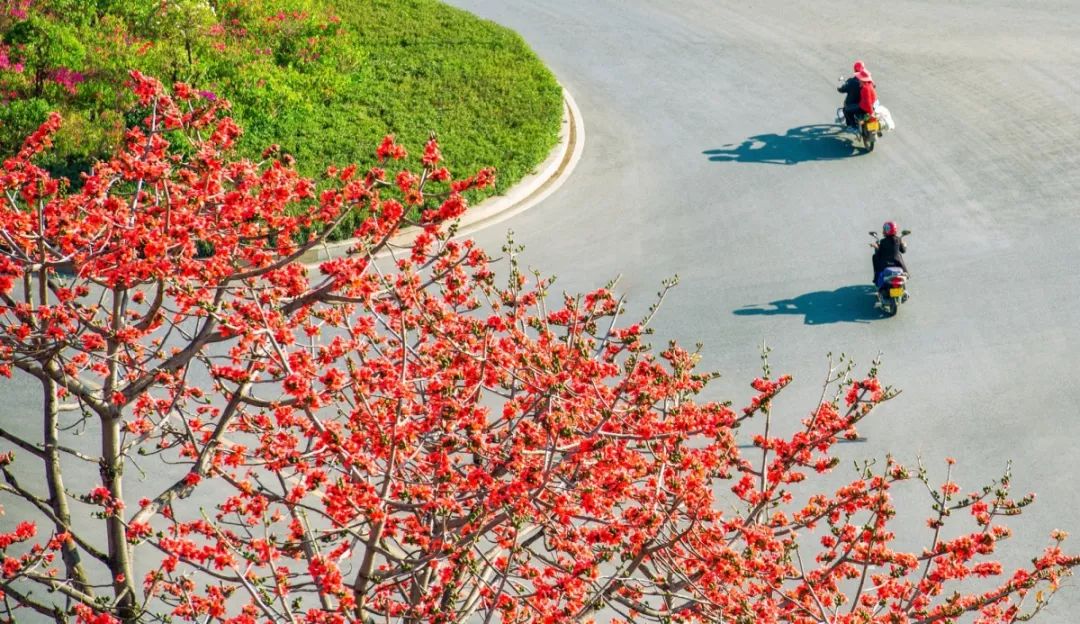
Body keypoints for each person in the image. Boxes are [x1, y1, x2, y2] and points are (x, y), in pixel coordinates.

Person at [838, 60, 867, 127]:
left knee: (846, 110)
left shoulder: (851, 82)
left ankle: (852, 126)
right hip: (867, 104)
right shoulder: (868, 80)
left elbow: (842, 89)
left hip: (859, 105)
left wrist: (839, 88)